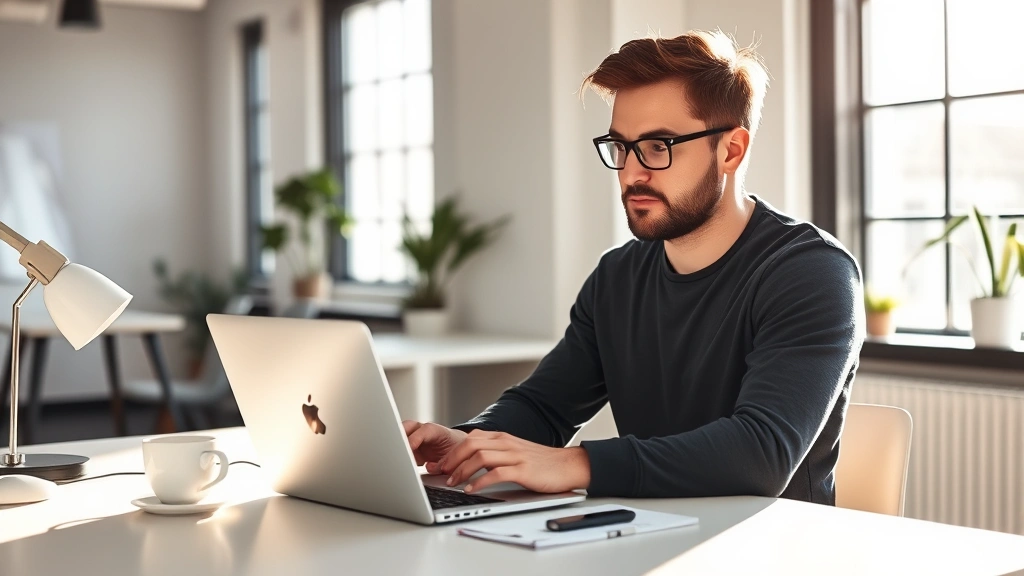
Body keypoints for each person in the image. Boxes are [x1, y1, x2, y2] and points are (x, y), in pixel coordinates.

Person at [403, 30, 864, 505]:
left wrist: (575, 464)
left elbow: (760, 454)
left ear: (731, 151)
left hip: (769, 549)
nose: (631, 172)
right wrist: (472, 444)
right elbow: (544, 407)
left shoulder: (811, 274)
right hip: (645, 533)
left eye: (659, 145)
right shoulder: (616, 278)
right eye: (621, 146)